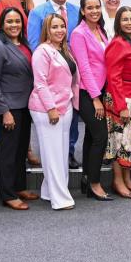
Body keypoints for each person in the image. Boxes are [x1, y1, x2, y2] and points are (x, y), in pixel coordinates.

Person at [0, 7, 38, 211]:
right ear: (1, 24)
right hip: (9, 108)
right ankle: (7, 194)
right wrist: (4, 112)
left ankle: (19, 186)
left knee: (21, 149)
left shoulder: (23, 44)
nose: (14, 25)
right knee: (8, 152)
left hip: (25, 105)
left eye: (17, 21)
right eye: (9, 22)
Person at [27, 0, 81, 168]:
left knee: (71, 118)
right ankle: (55, 160)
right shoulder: (38, 12)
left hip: (71, 73)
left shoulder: (76, 11)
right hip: (51, 74)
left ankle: (70, 152)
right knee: (53, 127)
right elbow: (34, 43)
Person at [29, 14, 80, 210]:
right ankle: (60, 200)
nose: (59, 30)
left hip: (65, 106)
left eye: (62, 26)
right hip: (46, 109)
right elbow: (40, 83)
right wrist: (51, 109)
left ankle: (49, 192)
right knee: (52, 154)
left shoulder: (64, 49)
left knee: (60, 153)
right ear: (46, 31)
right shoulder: (42, 51)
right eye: (54, 27)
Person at [104, 6, 131, 198]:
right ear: (118, 23)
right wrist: (121, 106)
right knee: (118, 143)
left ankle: (128, 178)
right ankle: (117, 181)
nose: (129, 23)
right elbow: (113, 78)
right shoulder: (118, 44)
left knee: (130, 144)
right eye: (125, 19)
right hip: (121, 100)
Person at [71, 0, 112, 201]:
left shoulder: (100, 30)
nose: (95, 10)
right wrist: (96, 98)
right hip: (88, 92)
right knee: (100, 137)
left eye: (97, 7)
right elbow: (84, 67)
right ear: (82, 10)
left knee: (90, 137)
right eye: (90, 7)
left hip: (101, 89)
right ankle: (95, 183)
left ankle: (87, 179)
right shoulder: (79, 33)